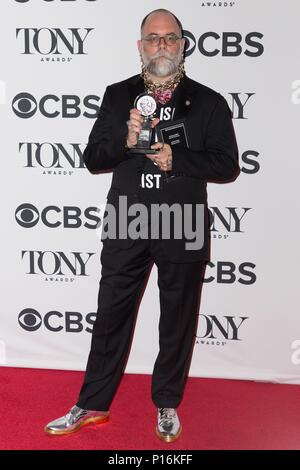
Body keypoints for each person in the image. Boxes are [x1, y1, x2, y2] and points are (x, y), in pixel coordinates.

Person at [44, 8, 239, 443]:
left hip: (183, 220)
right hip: (128, 219)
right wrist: (126, 141)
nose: (162, 45)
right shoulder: (118, 96)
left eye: (170, 38)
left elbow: (228, 166)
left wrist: (178, 159)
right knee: (111, 313)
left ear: (183, 44)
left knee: (178, 318)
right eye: (153, 38)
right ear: (140, 47)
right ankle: (92, 404)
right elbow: (94, 159)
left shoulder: (209, 101)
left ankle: (167, 404)